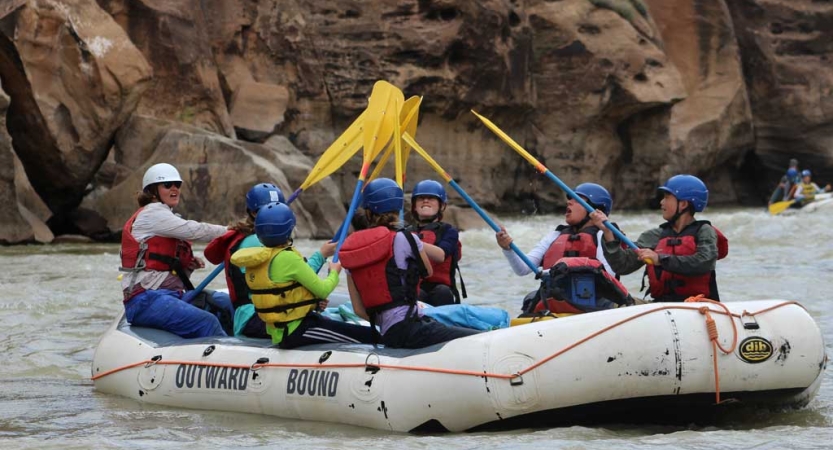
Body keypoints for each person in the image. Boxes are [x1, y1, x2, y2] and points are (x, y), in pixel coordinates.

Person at [339, 178, 481, 349]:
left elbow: (358, 310)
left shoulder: (350, 251)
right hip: (411, 326)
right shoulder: (406, 237)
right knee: (480, 338)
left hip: (387, 333)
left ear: (367, 212)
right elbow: (427, 272)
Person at [230, 202, 372, 348]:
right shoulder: (288, 258)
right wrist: (334, 272)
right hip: (297, 330)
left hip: (285, 329)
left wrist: (314, 302)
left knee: (347, 329)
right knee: (367, 335)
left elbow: (287, 292)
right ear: (289, 229)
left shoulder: (260, 258)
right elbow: (323, 289)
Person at [119, 163, 234, 338]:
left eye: (177, 185)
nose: (174, 189)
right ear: (152, 191)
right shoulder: (152, 214)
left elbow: (162, 268)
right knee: (207, 322)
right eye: (167, 185)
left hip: (169, 295)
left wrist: (187, 265)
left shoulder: (166, 217)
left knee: (225, 303)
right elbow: (195, 230)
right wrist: (233, 230)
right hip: (145, 300)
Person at [495, 183, 632, 314]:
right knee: (530, 299)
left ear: (595, 209)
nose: (569, 202)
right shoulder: (555, 235)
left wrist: (565, 270)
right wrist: (508, 249)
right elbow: (523, 268)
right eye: (569, 199)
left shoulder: (605, 236)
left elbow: (609, 275)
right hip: (559, 299)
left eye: (577, 200)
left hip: (593, 302)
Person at [592, 174, 728, 303]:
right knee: (616, 304)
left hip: (697, 305)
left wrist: (660, 259)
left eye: (667, 197)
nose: (661, 202)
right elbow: (622, 266)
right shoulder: (655, 235)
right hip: (660, 306)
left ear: (683, 204)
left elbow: (704, 262)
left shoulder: (704, 231)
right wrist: (608, 234)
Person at [407, 179, 465, 306]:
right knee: (414, 293)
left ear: (441, 206)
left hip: (441, 289)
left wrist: (412, 241)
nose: (426, 201)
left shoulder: (449, 231)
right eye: (421, 198)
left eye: (431, 198)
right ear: (414, 206)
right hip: (415, 288)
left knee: (442, 292)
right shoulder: (406, 232)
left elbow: (440, 256)